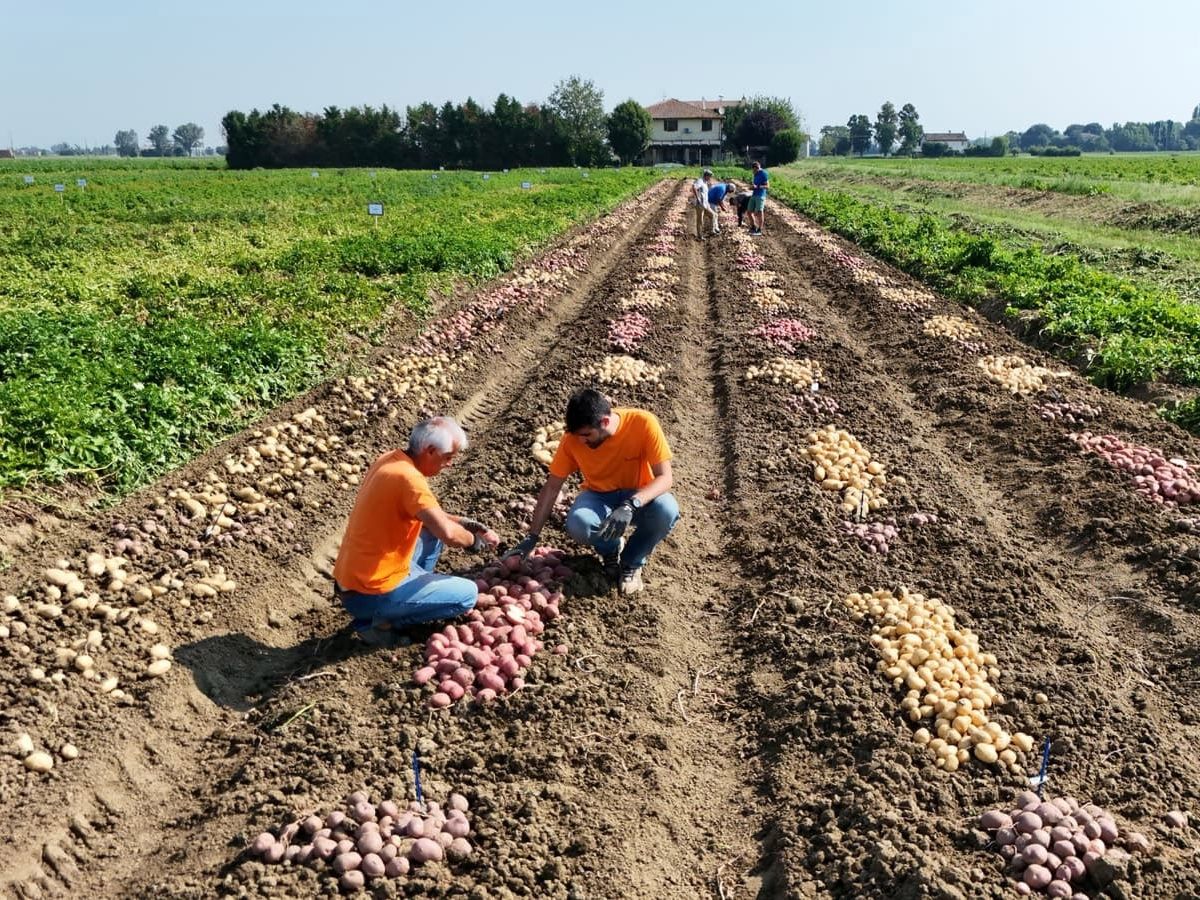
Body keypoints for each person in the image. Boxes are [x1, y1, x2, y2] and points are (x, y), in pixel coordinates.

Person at [332, 416, 499, 646]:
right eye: (448, 457)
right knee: (468, 595)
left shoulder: (391, 460)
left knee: (430, 531)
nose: (449, 464)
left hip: (352, 580)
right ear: (430, 451)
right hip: (368, 593)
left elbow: (433, 518)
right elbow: (449, 535)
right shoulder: (410, 480)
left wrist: (463, 522)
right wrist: (472, 541)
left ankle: (410, 593)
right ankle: (378, 622)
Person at [508, 389, 678, 596]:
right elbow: (552, 487)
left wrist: (631, 504)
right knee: (579, 524)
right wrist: (532, 537)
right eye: (578, 436)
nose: (582, 441)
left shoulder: (642, 423)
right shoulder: (573, 439)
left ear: (604, 422)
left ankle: (631, 563)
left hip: (639, 495)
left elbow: (665, 477)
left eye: (587, 435)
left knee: (666, 509)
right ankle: (610, 549)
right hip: (600, 496)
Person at [690, 168, 716, 239]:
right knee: (700, 220)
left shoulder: (705, 182)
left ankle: (712, 231)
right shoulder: (700, 181)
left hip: (705, 204)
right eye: (710, 176)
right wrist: (698, 198)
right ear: (706, 175)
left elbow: (704, 193)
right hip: (700, 204)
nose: (710, 178)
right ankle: (700, 236)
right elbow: (694, 187)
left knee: (712, 215)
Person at [748, 161, 769, 235]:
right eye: (753, 170)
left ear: (758, 168)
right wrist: (752, 187)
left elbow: (767, 186)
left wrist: (757, 187)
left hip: (760, 195)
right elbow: (754, 185)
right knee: (749, 211)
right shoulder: (755, 174)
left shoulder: (764, 173)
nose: (753, 171)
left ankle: (759, 230)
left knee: (759, 212)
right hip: (754, 194)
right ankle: (753, 227)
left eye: (755, 170)